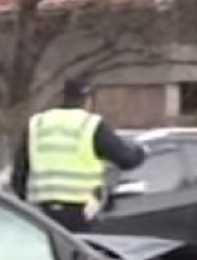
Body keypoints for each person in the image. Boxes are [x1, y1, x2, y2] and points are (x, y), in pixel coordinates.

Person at [10, 77, 146, 233]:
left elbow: (20, 171)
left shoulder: (38, 122)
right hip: (80, 208)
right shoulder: (90, 124)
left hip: (41, 209)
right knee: (82, 252)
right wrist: (141, 152)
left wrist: (25, 196)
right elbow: (126, 159)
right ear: (88, 100)